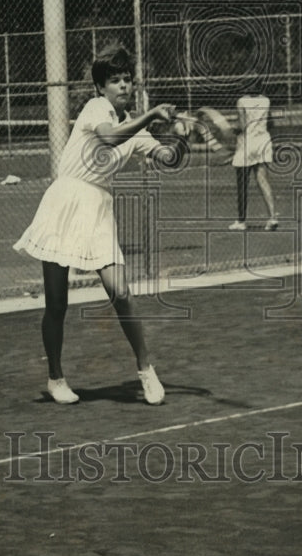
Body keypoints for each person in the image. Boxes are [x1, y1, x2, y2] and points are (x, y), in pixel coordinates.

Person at [13, 44, 187, 405]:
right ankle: (56, 378)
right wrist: (154, 114)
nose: (123, 86)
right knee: (56, 303)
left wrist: (182, 137)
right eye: (114, 81)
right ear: (100, 89)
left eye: (127, 79)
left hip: (97, 209)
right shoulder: (96, 109)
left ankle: (145, 370)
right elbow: (110, 137)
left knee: (120, 292)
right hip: (64, 201)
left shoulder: (136, 130)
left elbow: (168, 159)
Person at [227, 88, 278, 232]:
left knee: (242, 181)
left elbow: (242, 126)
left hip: (247, 144)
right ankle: (272, 217)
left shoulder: (242, 101)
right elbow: (270, 123)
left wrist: (231, 128)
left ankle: (241, 220)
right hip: (263, 141)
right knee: (262, 179)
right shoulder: (265, 100)